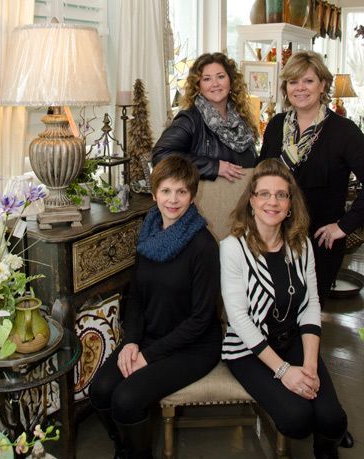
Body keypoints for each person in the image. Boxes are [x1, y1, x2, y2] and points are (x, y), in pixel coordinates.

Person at [89, 155, 223, 459]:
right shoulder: (149, 233)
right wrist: (132, 341)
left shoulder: (203, 245)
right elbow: (136, 296)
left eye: (181, 192)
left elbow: (202, 319)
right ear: (154, 194)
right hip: (150, 336)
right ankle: (125, 447)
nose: (173, 200)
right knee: (100, 390)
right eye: (165, 191)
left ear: (192, 195)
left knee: (125, 399)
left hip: (194, 346)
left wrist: (148, 356)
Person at [220, 159, 348, 459]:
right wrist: (284, 372)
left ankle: (326, 447)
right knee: (297, 420)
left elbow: (311, 305)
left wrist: (311, 365)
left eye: (281, 195)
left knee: (333, 420)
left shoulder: (300, 243)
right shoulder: (232, 247)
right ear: (251, 201)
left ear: (290, 204)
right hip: (250, 351)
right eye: (264, 194)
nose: (272, 202)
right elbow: (238, 318)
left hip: (294, 341)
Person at [259, 50, 364, 306]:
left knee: (308, 316)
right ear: (286, 88)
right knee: (271, 311)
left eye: (308, 81)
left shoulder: (344, 131)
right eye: (293, 82)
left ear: (323, 85)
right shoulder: (275, 125)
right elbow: (261, 178)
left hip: (318, 244)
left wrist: (344, 226)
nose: (300, 88)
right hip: (273, 237)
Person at [152, 52, 259, 182]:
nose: (215, 84)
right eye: (207, 79)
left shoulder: (241, 119)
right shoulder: (189, 120)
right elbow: (160, 155)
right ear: (198, 86)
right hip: (206, 201)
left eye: (220, 77)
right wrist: (214, 166)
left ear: (231, 81)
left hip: (244, 200)